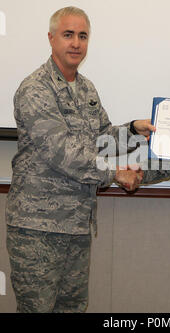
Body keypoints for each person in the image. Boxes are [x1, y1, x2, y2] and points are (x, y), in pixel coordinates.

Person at [5, 6, 157, 313]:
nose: (76, 43)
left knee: (72, 309)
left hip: (76, 225)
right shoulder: (35, 90)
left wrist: (133, 131)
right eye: (68, 35)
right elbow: (63, 152)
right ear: (51, 39)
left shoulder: (86, 88)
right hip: (38, 228)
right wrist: (116, 174)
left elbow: (101, 138)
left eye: (83, 36)